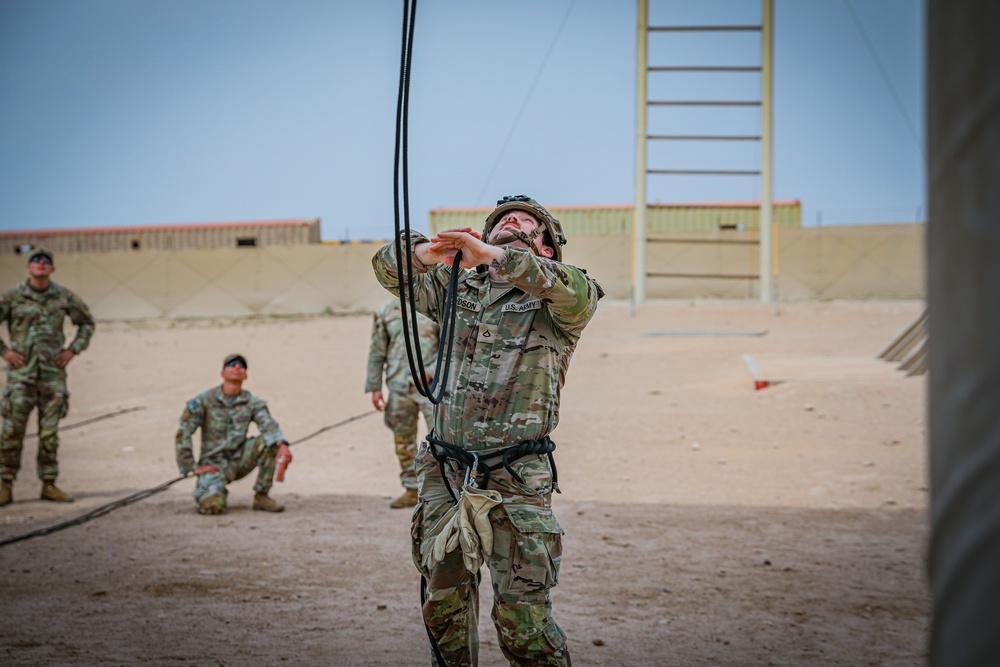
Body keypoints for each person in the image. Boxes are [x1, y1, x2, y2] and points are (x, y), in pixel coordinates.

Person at [373, 195, 603, 666]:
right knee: (443, 612)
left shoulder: (559, 298)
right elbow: (387, 269)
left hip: (515, 477)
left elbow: (576, 290)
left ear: (547, 249)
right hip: (446, 471)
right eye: (503, 219)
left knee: (524, 625)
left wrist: (497, 257)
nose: (512, 221)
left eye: (527, 223)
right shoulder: (456, 288)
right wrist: (430, 253)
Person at [0, 247, 95, 507]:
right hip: (21, 376)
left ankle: (49, 484)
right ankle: (5, 484)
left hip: (52, 376)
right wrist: (5, 352)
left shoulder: (63, 296)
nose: (40, 263)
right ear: (28, 267)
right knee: (12, 431)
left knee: (49, 435)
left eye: (46, 261)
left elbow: (87, 323)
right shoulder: (12, 297)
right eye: (35, 260)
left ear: (52, 268)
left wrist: (72, 350)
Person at [175, 353, 292, 515]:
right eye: (232, 364)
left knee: (270, 443)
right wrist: (190, 467)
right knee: (212, 507)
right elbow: (183, 432)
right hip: (213, 466)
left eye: (241, 366)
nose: (237, 367)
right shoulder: (204, 400)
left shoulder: (252, 402)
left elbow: (269, 425)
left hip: (240, 460)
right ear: (222, 373)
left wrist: (282, 444)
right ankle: (214, 491)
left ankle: (262, 496)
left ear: (246, 375)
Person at [365, 298, 439, 509]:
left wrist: (431, 371)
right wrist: (375, 387)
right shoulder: (386, 311)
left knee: (440, 439)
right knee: (403, 439)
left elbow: (450, 348)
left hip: (432, 388)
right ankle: (411, 488)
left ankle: (440, 490)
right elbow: (377, 350)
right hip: (399, 387)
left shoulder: (435, 305)